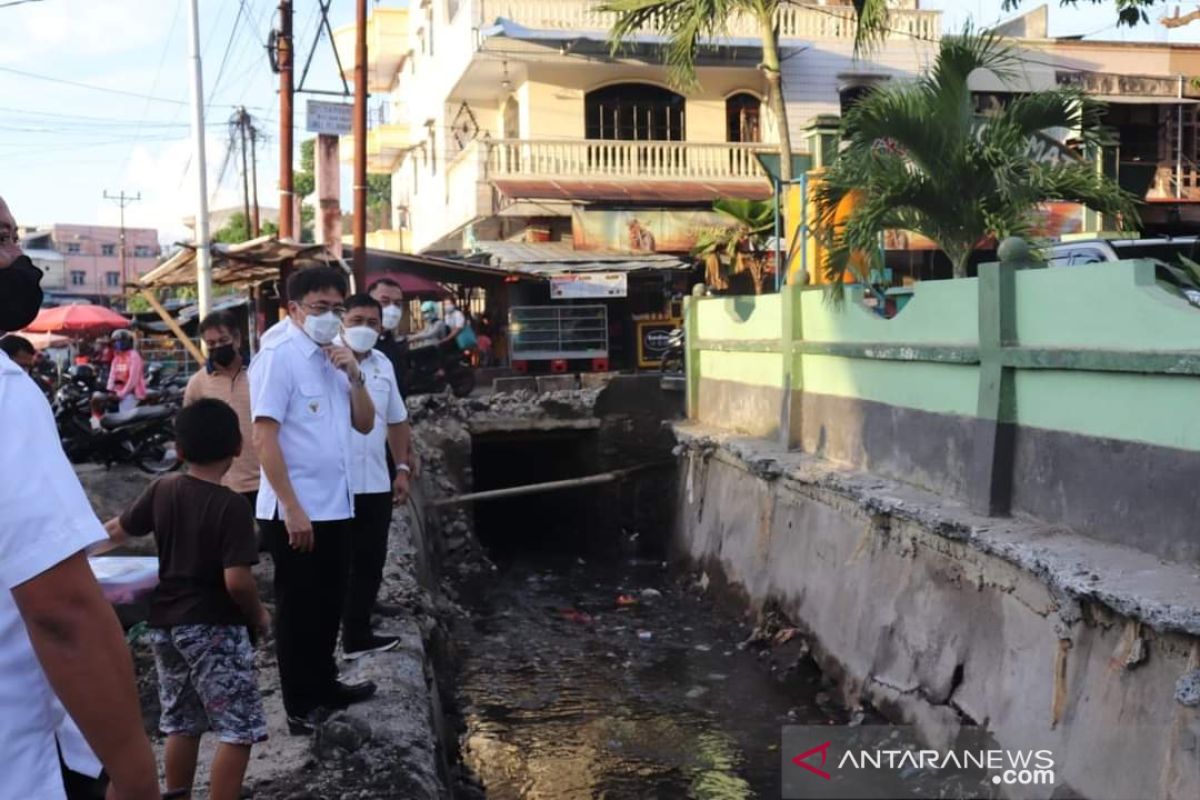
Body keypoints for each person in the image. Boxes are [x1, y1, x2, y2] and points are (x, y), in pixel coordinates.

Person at [0, 194, 160, 799]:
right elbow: (61, 610)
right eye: (1, 239)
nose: (19, 258)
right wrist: (136, 774)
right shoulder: (6, 394)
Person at [100, 399, 269, 800]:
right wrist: (259, 615)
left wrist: (69, 556)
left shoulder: (163, 488)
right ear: (238, 446)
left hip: (165, 627)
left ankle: (177, 794)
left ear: (178, 450)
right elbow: (238, 582)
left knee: (181, 721)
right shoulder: (232, 507)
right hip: (214, 628)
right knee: (237, 727)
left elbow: (117, 531)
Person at [249, 265, 377, 735]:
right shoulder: (279, 355)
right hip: (296, 510)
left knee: (329, 602)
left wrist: (355, 374)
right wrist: (292, 507)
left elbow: (364, 424)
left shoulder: (334, 354)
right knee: (299, 609)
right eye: (319, 309)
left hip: (336, 504)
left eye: (336, 309)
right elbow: (265, 438)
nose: (329, 317)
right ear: (294, 309)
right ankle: (300, 705)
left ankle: (326, 684)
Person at [335, 294, 412, 659]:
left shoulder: (383, 364)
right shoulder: (324, 360)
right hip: (335, 482)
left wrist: (402, 468)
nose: (364, 328)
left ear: (381, 328)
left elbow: (396, 420)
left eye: (371, 322)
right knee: (337, 563)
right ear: (342, 322)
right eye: (356, 320)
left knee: (370, 560)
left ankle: (357, 635)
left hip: (376, 481)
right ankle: (334, 636)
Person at [185, 311, 260, 509]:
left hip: (264, 482)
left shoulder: (260, 374)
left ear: (236, 339)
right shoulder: (197, 384)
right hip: (218, 485)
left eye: (223, 340)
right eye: (211, 344)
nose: (217, 347)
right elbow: (189, 435)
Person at [367, 278, 408, 392]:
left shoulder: (393, 345)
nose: (392, 309)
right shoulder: (356, 344)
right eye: (384, 302)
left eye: (397, 304)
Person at [107, 329, 146, 412]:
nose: (115, 344)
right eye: (114, 342)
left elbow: (133, 380)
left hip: (132, 393)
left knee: (124, 414)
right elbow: (112, 375)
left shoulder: (134, 356)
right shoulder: (117, 356)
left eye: (118, 341)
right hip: (118, 392)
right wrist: (110, 390)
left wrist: (121, 394)